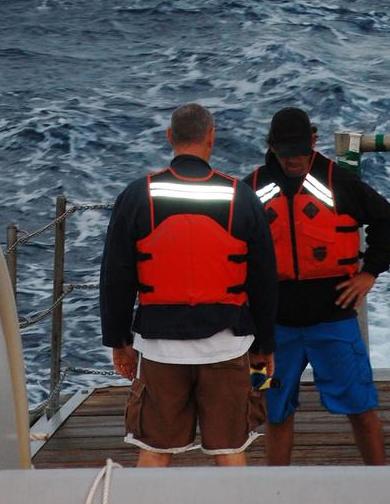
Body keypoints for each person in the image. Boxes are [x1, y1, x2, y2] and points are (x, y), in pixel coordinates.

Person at [99, 102, 277, 467]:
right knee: (231, 452)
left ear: (170, 137)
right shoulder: (241, 197)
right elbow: (263, 281)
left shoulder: (138, 196)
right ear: (211, 138)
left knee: (154, 451)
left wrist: (119, 342)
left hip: (162, 350)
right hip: (227, 348)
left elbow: (116, 276)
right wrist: (264, 347)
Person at [245, 106, 390, 465]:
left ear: (314, 141)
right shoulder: (250, 189)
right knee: (273, 409)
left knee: (361, 406)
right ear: (271, 147)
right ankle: (276, 491)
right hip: (268, 333)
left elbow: (386, 220)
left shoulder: (338, 181)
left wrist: (370, 272)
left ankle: (380, 483)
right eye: (285, 153)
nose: (294, 160)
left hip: (334, 321)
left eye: (301, 150)